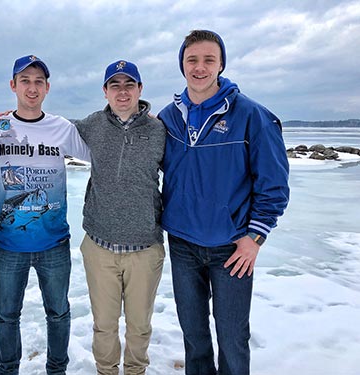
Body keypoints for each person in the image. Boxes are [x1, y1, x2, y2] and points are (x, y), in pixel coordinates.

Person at [158, 30, 290, 375]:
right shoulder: (168, 118)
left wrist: (255, 238)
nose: (199, 68)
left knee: (232, 337)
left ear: (221, 64)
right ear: (182, 65)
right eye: (192, 59)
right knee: (194, 336)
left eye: (208, 60)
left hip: (232, 248)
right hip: (183, 243)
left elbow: (274, 185)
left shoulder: (251, 116)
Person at [0, 55, 90, 375]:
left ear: (47, 88)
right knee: (5, 316)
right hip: (8, 244)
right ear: (13, 85)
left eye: (38, 81)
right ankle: (8, 370)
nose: (32, 87)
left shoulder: (62, 128)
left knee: (58, 313)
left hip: (54, 243)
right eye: (25, 81)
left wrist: (141, 120)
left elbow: (101, 153)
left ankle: (57, 370)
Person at [73, 60, 166, 375]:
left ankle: (136, 370)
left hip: (145, 246)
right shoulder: (91, 125)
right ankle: (106, 370)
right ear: (105, 91)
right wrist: (8, 122)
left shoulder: (159, 130)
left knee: (140, 325)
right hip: (99, 246)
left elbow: (187, 175)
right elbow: (47, 131)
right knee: (104, 324)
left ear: (140, 89)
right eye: (115, 85)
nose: (122, 91)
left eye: (129, 85)